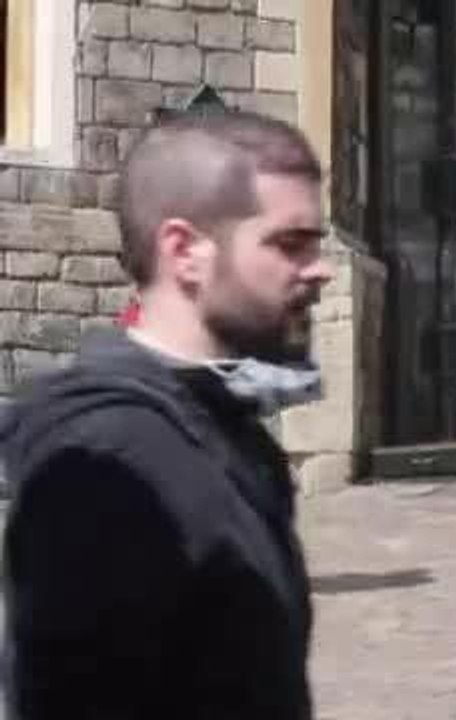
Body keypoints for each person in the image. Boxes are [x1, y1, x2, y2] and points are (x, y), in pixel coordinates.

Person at [0, 111, 333, 719]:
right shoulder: (109, 461)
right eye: (289, 244)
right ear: (185, 252)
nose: (320, 269)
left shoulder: (237, 437)